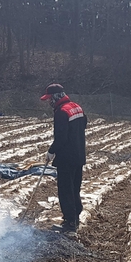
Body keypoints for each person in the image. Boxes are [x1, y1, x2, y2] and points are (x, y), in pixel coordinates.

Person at [40, 83, 87, 233]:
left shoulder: (61, 112)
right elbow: (83, 124)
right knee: (75, 188)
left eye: (49, 99)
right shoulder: (76, 107)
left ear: (55, 97)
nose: (49, 102)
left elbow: (61, 137)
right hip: (79, 155)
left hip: (67, 158)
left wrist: (51, 151)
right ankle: (75, 217)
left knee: (65, 190)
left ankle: (70, 224)